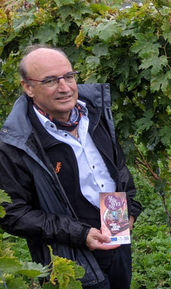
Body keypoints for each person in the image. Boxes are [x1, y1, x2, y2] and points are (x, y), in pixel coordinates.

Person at [0, 45, 142, 289]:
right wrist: (79, 234)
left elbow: (117, 169)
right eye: (50, 81)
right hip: (67, 257)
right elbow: (13, 213)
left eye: (68, 76)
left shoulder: (96, 114)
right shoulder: (16, 143)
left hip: (117, 238)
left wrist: (130, 208)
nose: (64, 87)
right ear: (28, 87)